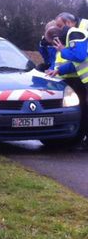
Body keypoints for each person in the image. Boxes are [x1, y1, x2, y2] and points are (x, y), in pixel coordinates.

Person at [46, 12, 88, 146]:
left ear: (69, 23)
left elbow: (80, 56)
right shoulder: (76, 33)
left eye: (60, 25)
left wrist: (63, 50)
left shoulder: (75, 33)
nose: (58, 29)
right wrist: (58, 70)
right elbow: (77, 63)